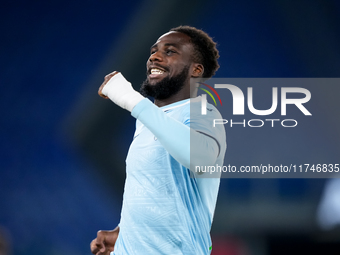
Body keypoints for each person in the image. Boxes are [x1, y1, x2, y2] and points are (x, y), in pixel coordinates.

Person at [90, 26, 226, 255]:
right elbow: (156, 192)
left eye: (170, 51)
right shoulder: (146, 121)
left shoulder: (203, 112)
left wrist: (131, 100)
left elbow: (200, 157)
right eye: (153, 51)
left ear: (196, 70)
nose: (154, 56)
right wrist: (124, 233)